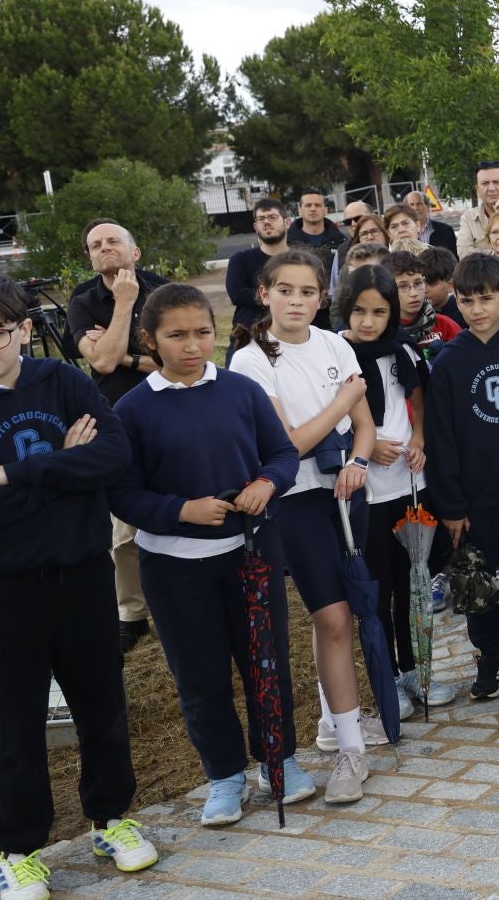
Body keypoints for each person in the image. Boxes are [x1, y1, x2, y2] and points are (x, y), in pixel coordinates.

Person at [0, 269, 159, 899]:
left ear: (25, 330)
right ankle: (19, 851)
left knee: (100, 703)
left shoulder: (61, 382)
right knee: (13, 720)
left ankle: (111, 818)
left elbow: (113, 457)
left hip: (81, 573)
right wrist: (61, 467)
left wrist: (6, 474)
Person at [109, 283, 300, 828]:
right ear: (150, 340)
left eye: (202, 333)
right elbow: (123, 493)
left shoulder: (240, 391)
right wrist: (179, 510)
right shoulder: (133, 408)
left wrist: (267, 482)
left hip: (249, 554)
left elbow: (283, 454)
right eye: (176, 335)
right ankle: (224, 774)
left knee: (265, 661)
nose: (192, 346)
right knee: (201, 675)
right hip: (173, 568)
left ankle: (278, 760)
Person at [226, 250, 379, 806]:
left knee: (343, 613)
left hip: (344, 492)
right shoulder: (249, 361)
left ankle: (336, 722)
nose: (297, 301)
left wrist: (360, 462)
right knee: (330, 614)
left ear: (321, 296)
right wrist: (344, 397)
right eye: (285, 290)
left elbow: (362, 426)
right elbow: (286, 445)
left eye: (308, 291)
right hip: (293, 503)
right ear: (264, 293)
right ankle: (351, 748)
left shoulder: (334, 343)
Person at [423, 253, 499, 700]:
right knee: (476, 584)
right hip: (473, 499)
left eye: (486, 299)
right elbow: (441, 440)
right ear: (455, 300)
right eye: (467, 300)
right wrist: (451, 505)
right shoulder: (448, 362)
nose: (477, 309)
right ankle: (488, 659)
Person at [338, 265, 440, 717]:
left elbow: (419, 399)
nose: (368, 321)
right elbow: (330, 414)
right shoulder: (336, 354)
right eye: (359, 311)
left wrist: (417, 439)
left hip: (406, 484)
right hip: (365, 490)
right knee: (376, 592)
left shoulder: (402, 350)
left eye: (379, 312)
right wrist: (367, 443)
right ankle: (386, 681)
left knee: (408, 582)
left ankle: (413, 669)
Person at [67, 220, 171, 653]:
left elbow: (179, 360)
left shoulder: (165, 293)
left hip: (170, 409)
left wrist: (125, 353)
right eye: (95, 245)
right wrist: (124, 304)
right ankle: (131, 612)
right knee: (123, 524)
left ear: (136, 252)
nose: (104, 249)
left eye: (113, 241)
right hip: (114, 419)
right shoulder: (83, 300)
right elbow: (104, 364)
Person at [228, 198, 291, 343]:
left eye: (272, 217)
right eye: (261, 218)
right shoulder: (240, 259)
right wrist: (282, 296)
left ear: (287, 223)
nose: (266, 222)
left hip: (291, 335)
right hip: (248, 336)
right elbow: (237, 294)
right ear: (256, 226)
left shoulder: (300, 261)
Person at [386, 250, 459, 356]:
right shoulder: (384, 330)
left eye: (418, 283)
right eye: (403, 286)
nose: (413, 293)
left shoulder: (445, 325)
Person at [286, 189, 346, 272]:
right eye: (308, 205)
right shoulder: (287, 244)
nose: (313, 209)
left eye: (317, 205)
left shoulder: (341, 243)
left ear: (326, 210)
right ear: (300, 211)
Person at [420, 246, 465, 330]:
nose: (423, 289)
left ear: (450, 285)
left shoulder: (463, 313)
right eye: (419, 283)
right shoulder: (414, 313)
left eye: (431, 284)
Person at [401, 188, 457, 254]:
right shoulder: (401, 233)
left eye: (419, 204)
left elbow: (454, 259)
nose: (415, 208)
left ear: (427, 206)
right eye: (411, 205)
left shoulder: (446, 230)